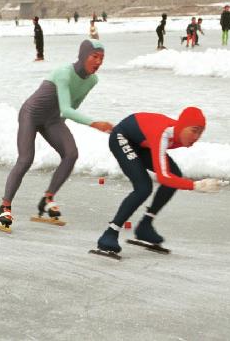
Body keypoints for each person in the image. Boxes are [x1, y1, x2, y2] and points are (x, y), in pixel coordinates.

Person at [0, 40, 113, 232]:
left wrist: (60, 132)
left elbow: (71, 108)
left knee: (71, 153)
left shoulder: (92, 80)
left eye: (102, 58)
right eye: (94, 57)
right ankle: (4, 207)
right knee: (25, 159)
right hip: (31, 114)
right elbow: (66, 108)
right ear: (83, 56)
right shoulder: (64, 73)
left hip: (53, 119)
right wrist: (94, 123)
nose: (98, 62)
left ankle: (47, 199)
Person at [93, 107, 218, 257]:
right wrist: (195, 185)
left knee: (175, 175)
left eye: (200, 132)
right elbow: (163, 176)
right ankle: (110, 233)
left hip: (143, 142)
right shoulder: (163, 134)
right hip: (122, 137)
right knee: (143, 187)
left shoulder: (177, 135)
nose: (196, 137)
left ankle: (145, 226)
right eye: (194, 130)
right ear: (182, 126)